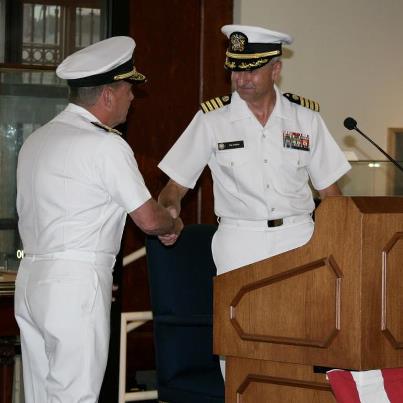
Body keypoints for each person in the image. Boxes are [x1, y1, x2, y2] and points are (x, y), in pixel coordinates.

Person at [14, 36, 183, 403]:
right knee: (76, 396)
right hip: (74, 284)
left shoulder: (37, 140)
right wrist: (172, 224)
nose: (132, 99)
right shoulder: (106, 145)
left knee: (40, 396)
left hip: (30, 280)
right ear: (108, 95)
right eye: (128, 91)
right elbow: (148, 219)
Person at [158, 24, 351, 275]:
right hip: (240, 241)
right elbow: (174, 187)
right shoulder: (212, 120)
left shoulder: (306, 119)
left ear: (276, 70)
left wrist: (341, 241)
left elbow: (331, 193)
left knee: (300, 314)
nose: (242, 79)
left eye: (252, 70)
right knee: (241, 315)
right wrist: (169, 211)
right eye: (236, 70)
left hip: (299, 237)